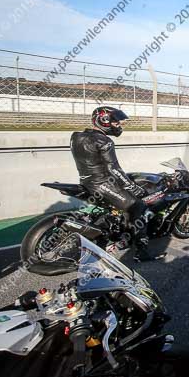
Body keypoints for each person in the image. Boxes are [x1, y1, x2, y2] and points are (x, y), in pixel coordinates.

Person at [70, 106, 166, 262]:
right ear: (104, 121)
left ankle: (118, 234)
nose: (118, 125)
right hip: (102, 183)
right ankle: (142, 252)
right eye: (115, 122)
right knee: (138, 206)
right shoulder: (104, 140)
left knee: (121, 206)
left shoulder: (76, 136)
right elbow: (114, 169)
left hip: (85, 181)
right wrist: (133, 187)